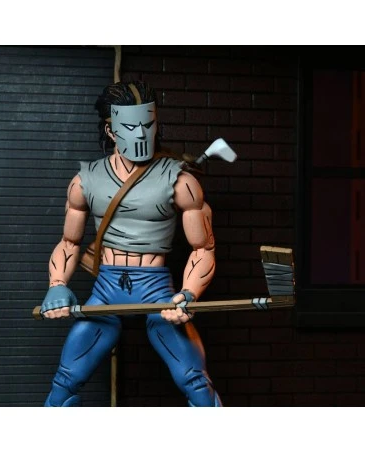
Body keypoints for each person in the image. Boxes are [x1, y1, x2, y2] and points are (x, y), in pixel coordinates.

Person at [40, 80, 222, 407]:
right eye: (130, 126)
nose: (140, 134)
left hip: (155, 288)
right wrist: (57, 284)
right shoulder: (86, 181)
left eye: (147, 125)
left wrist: (188, 294)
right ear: (110, 130)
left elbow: (203, 248)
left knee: (194, 380)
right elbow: (69, 242)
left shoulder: (180, 180)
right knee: (66, 380)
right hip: (107, 288)